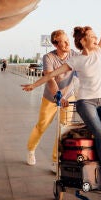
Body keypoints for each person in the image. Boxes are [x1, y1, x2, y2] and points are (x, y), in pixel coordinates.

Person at [22, 0, 101, 192]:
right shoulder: (75, 59)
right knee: (99, 133)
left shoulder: (99, 51)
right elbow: (50, 75)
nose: (95, 38)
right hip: (85, 102)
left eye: (95, 36)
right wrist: (34, 85)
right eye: (92, 37)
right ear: (83, 41)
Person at [24, 30, 78, 171]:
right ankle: (31, 149)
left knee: (64, 129)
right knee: (42, 126)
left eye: (67, 40)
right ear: (55, 44)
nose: (67, 44)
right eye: (63, 41)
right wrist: (59, 96)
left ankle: (56, 160)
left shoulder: (74, 55)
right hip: (51, 98)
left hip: (69, 97)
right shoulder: (48, 57)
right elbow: (50, 79)